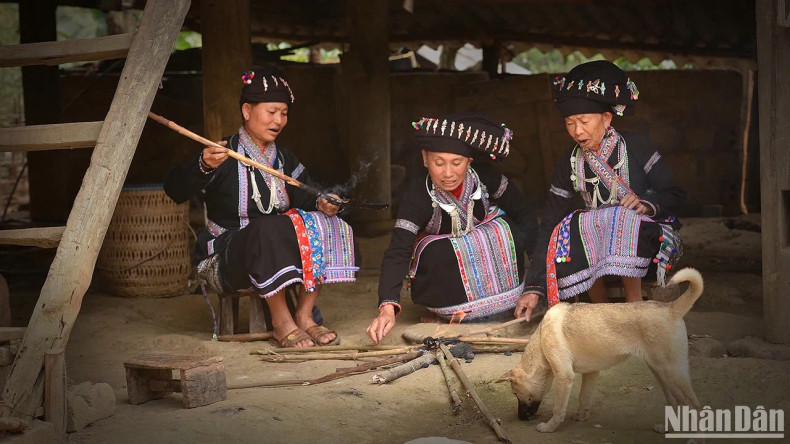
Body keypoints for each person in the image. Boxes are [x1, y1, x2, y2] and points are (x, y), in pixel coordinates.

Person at [164, 67, 359, 348]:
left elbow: (305, 195)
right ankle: (281, 323)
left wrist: (323, 202)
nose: (279, 120)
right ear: (247, 110)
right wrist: (202, 166)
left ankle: (304, 316)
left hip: (276, 251)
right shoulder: (222, 153)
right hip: (227, 257)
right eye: (271, 111)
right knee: (269, 227)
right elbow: (174, 189)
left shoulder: (284, 158)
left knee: (329, 221)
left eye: (284, 113)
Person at [515, 60, 685, 320]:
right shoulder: (569, 162)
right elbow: (550, 221)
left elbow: (674, 194)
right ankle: (601, 311)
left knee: (621, 215)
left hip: (645, 243)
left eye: (583, 121)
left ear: (606, 118)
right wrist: (534, 287)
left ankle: (633, 304)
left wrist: (645, 204)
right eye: (570, 123)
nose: (577, 131)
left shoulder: (636, 146)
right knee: (573, 224)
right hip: (595, 248)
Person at [367, 113, 539, 344]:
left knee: (504, 229)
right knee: (439, 250)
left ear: (469, 161)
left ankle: (504, 300)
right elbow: (399, 250)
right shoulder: (418, 196)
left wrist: (537, 282)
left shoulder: (487, 177)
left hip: (502, 281)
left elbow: (524, 214)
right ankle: (447, 312)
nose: (448, 173)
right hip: (447, 279)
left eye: (456, 163)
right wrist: (387, 307)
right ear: (425, 159)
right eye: (439, 163)